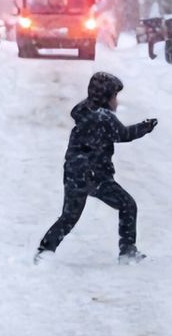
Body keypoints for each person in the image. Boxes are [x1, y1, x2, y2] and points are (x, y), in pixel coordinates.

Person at [35, 72, 158, 265]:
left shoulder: (85, 110)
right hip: (94, 175)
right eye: (115, 96)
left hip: (75, 173)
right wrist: (146, 127)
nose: (117, 101)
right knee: (127, 205)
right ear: (106, 97)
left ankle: (44, 251)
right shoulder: (103, 117)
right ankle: (127, 251)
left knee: (69, 216)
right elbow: (123, 134)